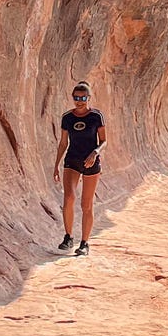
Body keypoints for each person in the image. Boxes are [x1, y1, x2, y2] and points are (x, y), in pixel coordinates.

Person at [53, 80, 106, 256]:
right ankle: (68, 237)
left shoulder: (96, 116)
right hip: (72, 160)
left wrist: (95, 153)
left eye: (83, 97)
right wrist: (56, 165)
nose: (80, 101)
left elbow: (104, 141)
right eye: (76, 97)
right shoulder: (67, 117)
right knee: (68, 198)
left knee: (86, 204)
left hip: (91, 161)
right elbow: (63, 143)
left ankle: (84, 243)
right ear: (72, 98)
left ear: (89, 97)